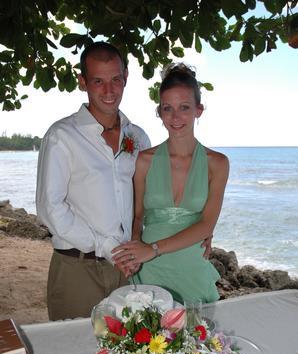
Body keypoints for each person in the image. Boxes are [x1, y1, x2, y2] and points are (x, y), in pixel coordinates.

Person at [36, 41, 151, 320]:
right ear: (82, 82)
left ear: (126, 79)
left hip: (127, 269)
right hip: (77, 268)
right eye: (98, 81)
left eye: (115, 80)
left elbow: (147, 199)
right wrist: (107, 247)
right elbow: (49, 207)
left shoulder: (138, 137)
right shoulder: (61, 136)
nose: (109, 91)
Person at [112, 63, 229, 304]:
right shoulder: (144, 160)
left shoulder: (217, 163)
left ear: (199, 110)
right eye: (168, 108)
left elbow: (207, 225)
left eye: (184, 107)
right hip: (150, 267)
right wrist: (136, 252)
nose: (175, 117)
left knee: (197, 338)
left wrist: (152, 249)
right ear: (160, 112)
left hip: (190, 267)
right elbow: (136, 217)